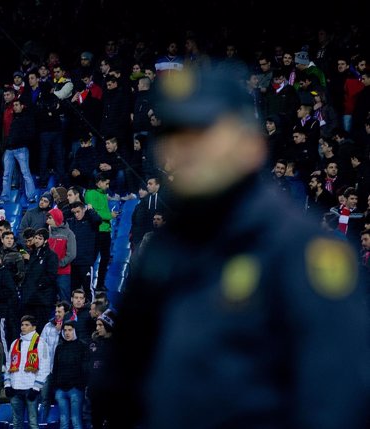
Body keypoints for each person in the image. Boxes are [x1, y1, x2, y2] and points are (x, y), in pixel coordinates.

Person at [112, 64, 370, 428]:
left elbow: (335, 402)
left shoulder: (302, 252)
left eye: (202, 132)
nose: (185, 148)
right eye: (174, 133)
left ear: (249, 145)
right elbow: (123, 383)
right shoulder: (163, 254)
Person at [4, 315, 51, 429]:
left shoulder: (41, 343)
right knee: (16, 423)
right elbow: (8, 365)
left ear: (34, 327)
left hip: (30, 389)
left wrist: (36, 388)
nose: (23, 327)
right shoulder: (15, 343)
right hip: (15, 389)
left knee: (33, 423)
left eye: (27, 325)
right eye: (22, 325)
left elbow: (45, 368)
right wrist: (7, 385)